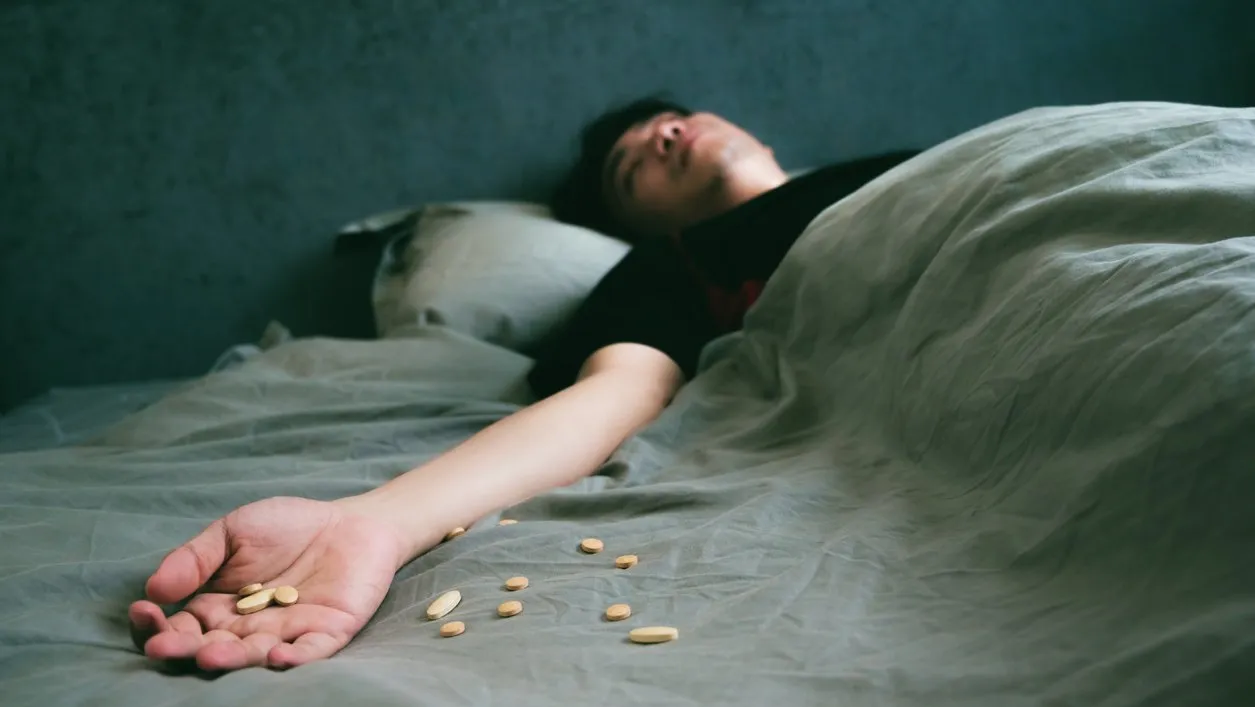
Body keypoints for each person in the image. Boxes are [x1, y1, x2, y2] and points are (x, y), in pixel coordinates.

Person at [128, 98, 919, 672]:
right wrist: (374, 521)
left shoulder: (913, 167)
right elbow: (619, 392)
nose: (665, 135)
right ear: (631, 223)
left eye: (673, 119)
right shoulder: (662, 269)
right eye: (631, 166)